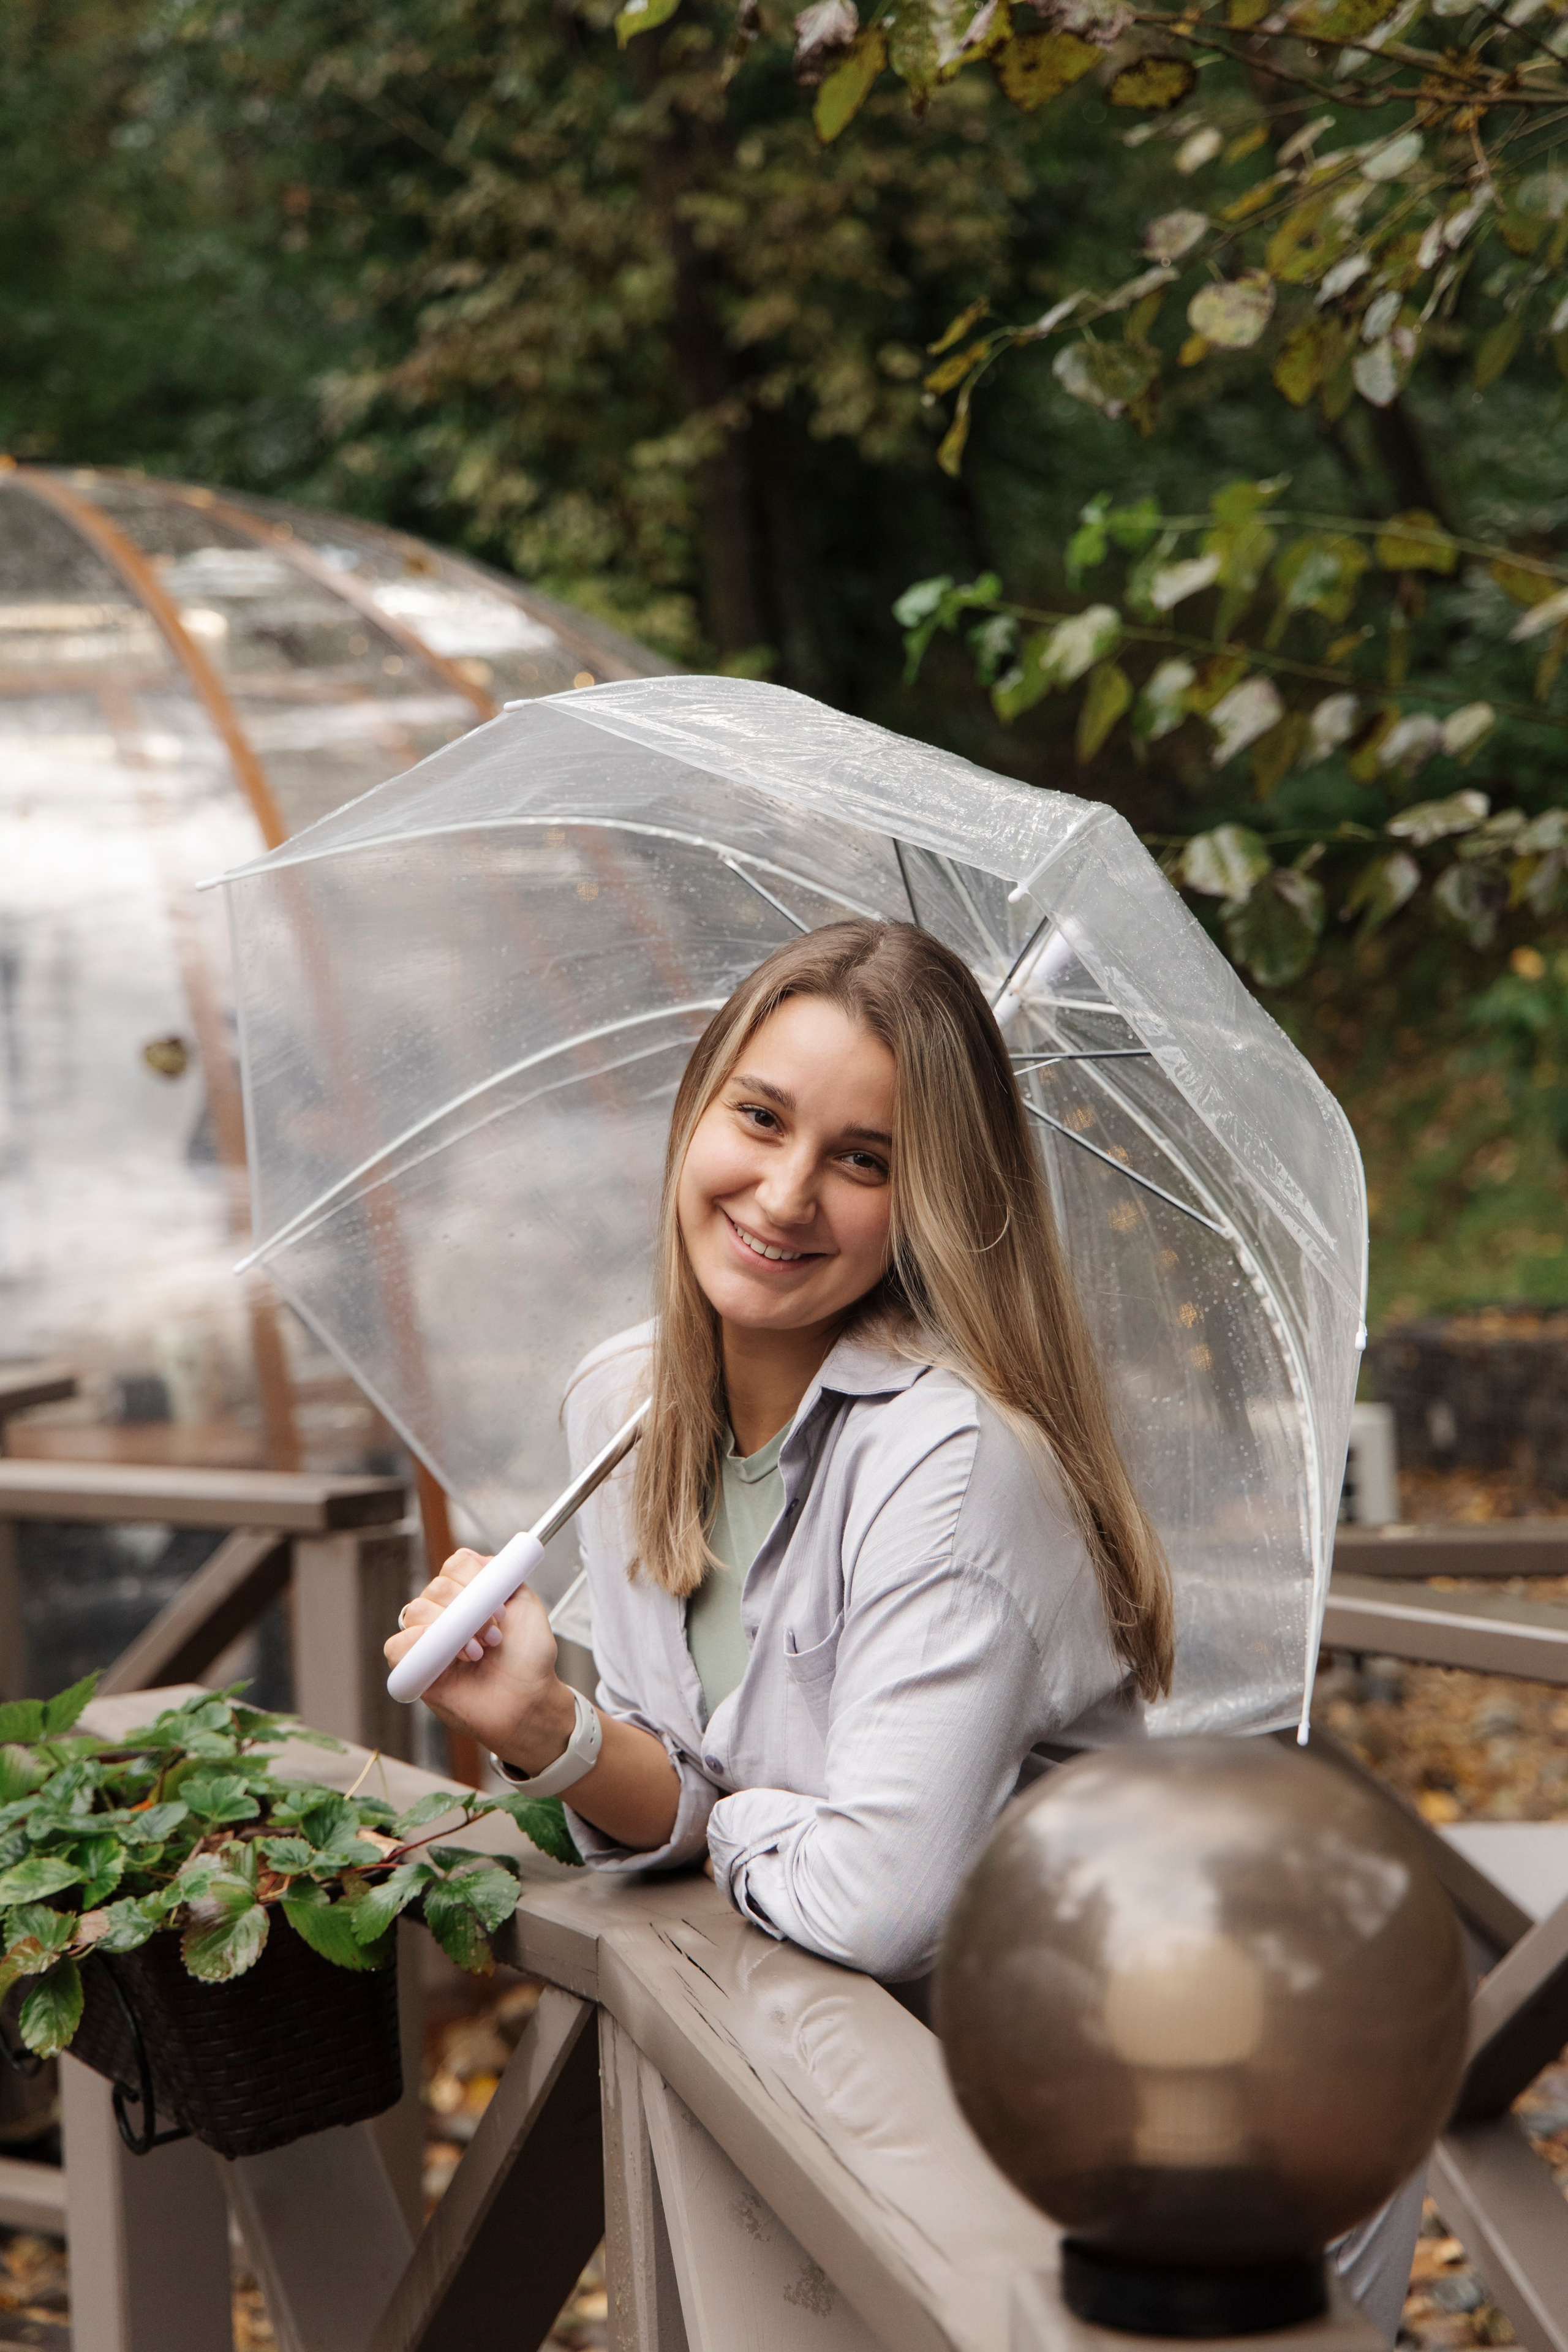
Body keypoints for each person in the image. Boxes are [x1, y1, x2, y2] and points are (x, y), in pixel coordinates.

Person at [386, 916, 1172, 1984]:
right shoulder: (621, 1401)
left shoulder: (950, 1461)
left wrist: (734, 1818)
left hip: (1041, 2043)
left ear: (930, 1203)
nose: (786, 1195)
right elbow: (678, 1779)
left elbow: (878, 1909)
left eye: (863, 1160)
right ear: (695, 1109)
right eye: (761, 1118)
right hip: (800, 2035)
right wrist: (543, 1724)